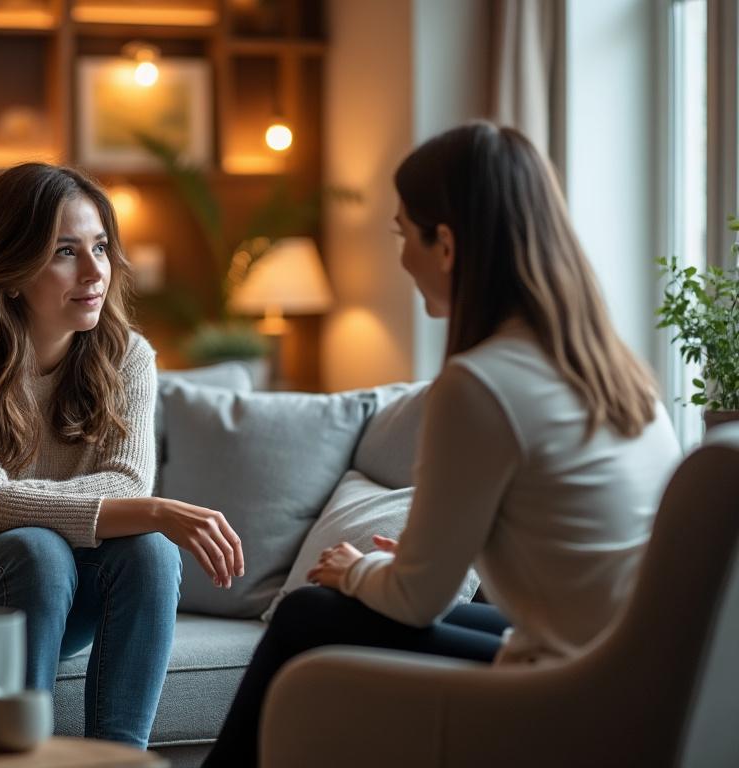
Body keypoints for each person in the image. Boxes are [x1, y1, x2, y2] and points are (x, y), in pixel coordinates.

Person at [202, 122, 681, 766]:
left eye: (404, 234)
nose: (401, 258)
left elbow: (416, 601)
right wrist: (413, 562)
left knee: (310, 614)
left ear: (446, 244)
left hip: (575, 689)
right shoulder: (617, 370)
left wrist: (357, 569)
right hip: (637, 670)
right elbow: (564, 550)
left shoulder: (480, 384)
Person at [0, 163, 244, 750]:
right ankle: (20, 763)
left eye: (100, 247)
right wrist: (151, 510)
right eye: (64, 251)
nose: (93, 272)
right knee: (38, 550)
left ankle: (117, 763)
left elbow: (119, 481)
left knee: (149, 554)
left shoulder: (127, 357)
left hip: (40, 587)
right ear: (9, 270)